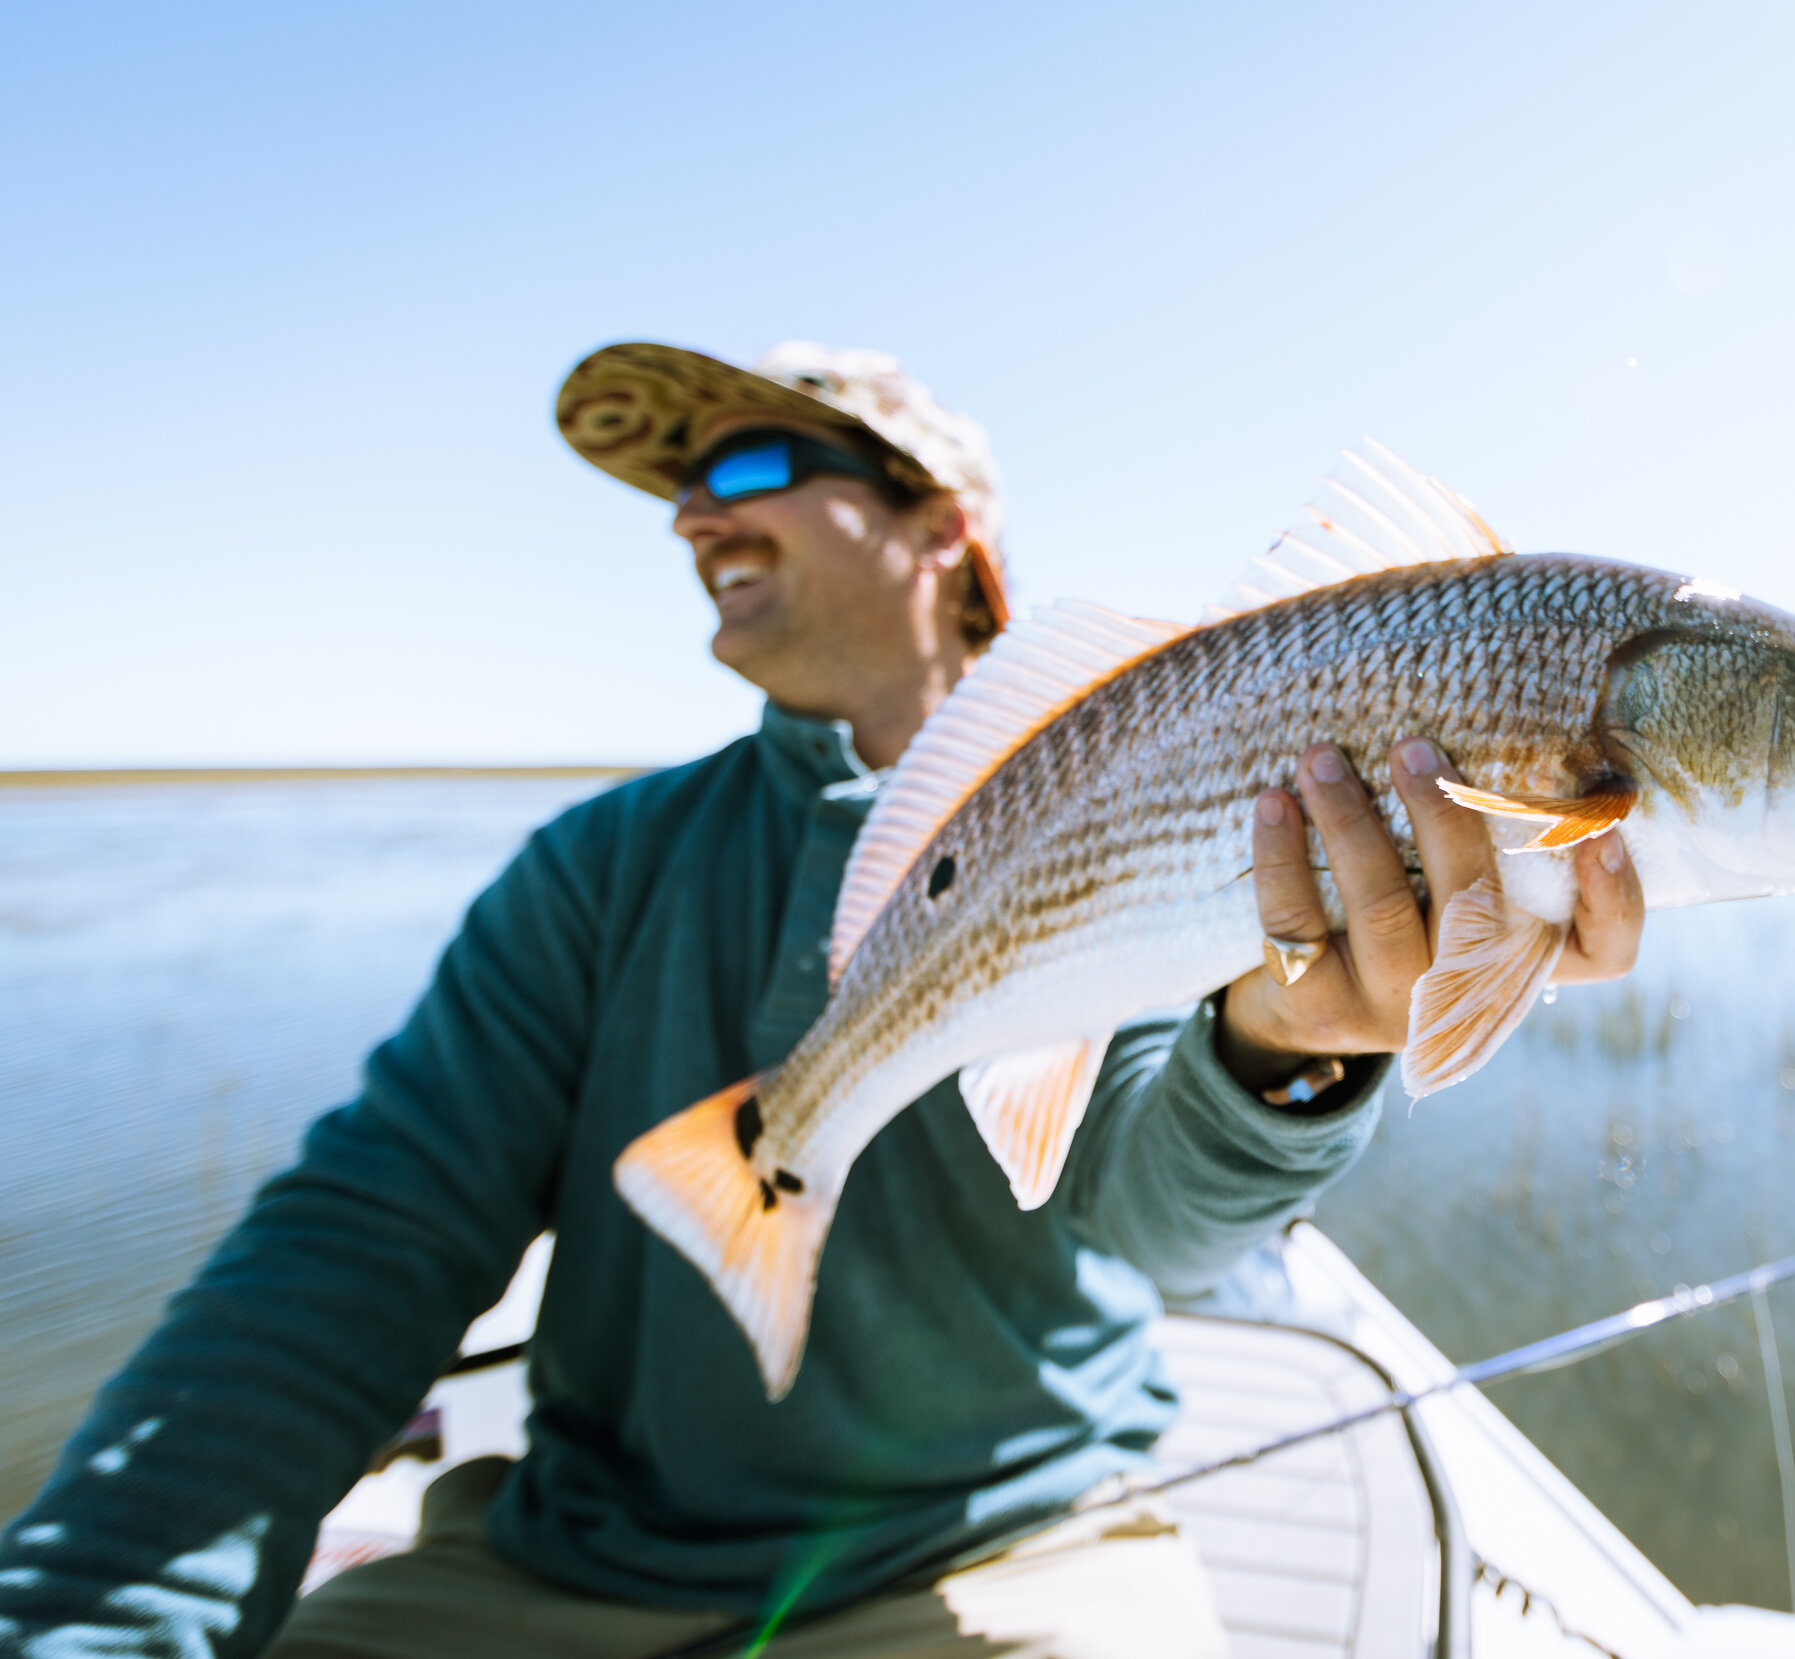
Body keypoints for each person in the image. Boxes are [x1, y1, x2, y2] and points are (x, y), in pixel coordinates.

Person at [0, 342, 1644, 1658]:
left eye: (753, 464)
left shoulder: (1184, 786)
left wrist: (1283, 1048)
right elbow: (357, 1249)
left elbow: (1146, 1220)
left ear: (943, 531)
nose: (694, 516)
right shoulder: (595, 870)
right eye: (677, 488)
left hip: (1012, 1555)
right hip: (572, 1564)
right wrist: (93, 1620)